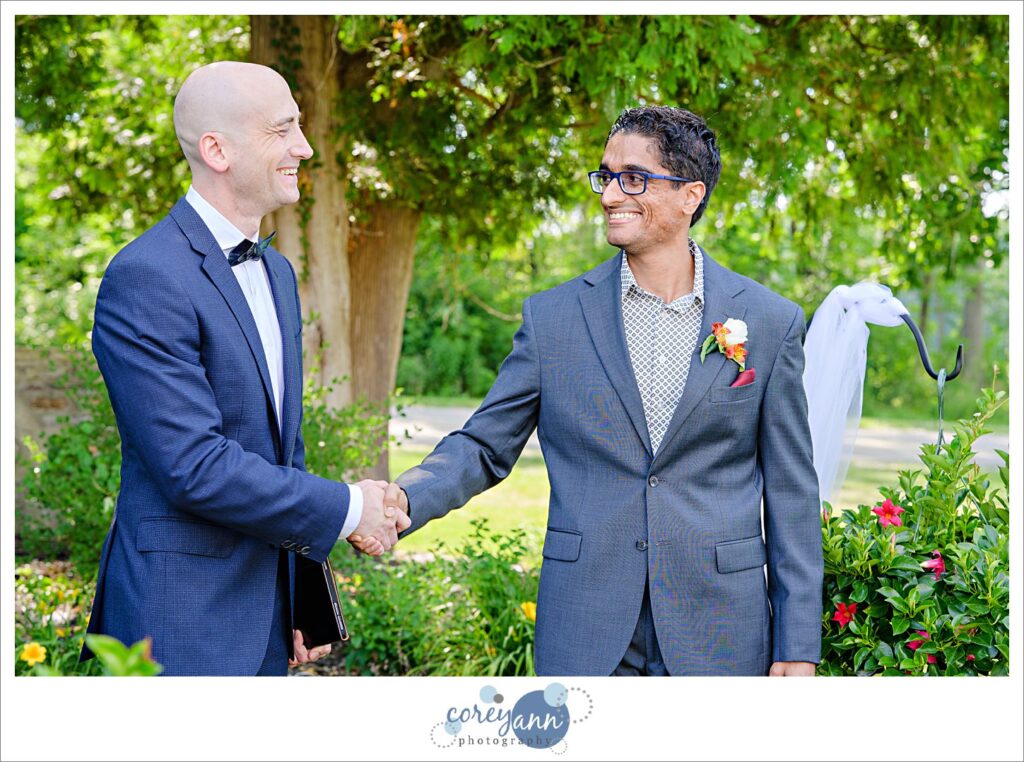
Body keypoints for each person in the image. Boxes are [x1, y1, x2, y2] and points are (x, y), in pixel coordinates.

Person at [366, 106, 823, 676]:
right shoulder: (553, 319)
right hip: (587, 624)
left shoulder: (770, 321)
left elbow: (791, 491)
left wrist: (798, 643)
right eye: (605, 176)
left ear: (690, 195)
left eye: (633, 178)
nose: (609, 195)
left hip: (720, 628)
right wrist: (406, 498)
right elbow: (485, 446)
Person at [81, 61, 408, 676]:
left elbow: (284, 450)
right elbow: (193, 467)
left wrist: (301, 594)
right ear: (217, 150)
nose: (303, 148)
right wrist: (347, 508)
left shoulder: (279, 274)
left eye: (300, 128)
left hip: (266, 616)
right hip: (179, 621)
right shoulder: (145, 276)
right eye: (282, 130)